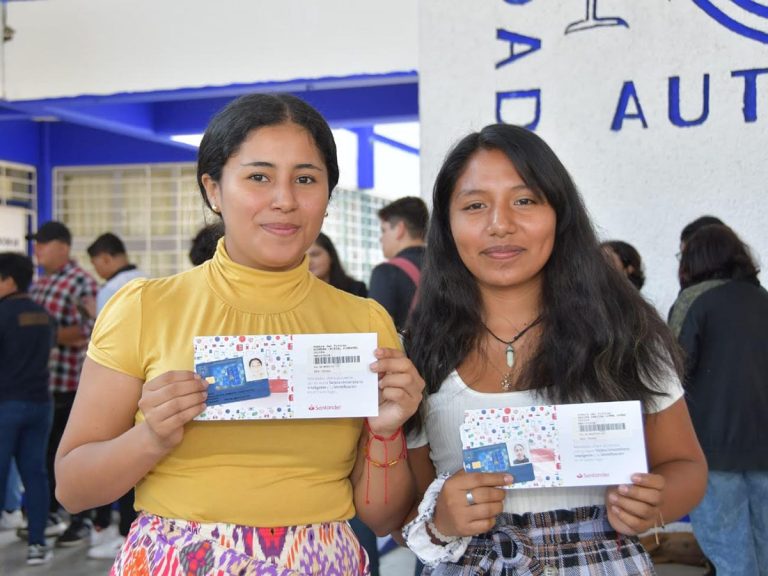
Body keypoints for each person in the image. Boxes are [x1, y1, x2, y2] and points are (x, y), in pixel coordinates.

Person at [54, 93, 423, 575]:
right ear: (213, 189)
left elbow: (383, 517)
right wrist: (151, 437)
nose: (284, 200)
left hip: (322, 562)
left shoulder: (364, 323)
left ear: (328, 196)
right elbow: (73, 489)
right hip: (177, 563)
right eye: (258, 177)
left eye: (306, 179)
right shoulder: (144, 308)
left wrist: (387, 431)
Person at [400, 124, 707, 575]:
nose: (500, 224)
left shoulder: (626, 335)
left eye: (525, 201)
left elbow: (687, 465)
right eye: (475, 205)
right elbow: (401, 514)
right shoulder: (418, 353)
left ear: (560, 215)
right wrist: (441, 521)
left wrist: (654, 502)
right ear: (447, 225)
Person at [669, 224, 768, 576]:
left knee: (730, 555)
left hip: (711, 446)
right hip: (763, 447)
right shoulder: (762, 298)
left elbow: (673, 371)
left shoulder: (694, 299)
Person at [27, 220, 98, 547]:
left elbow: (89, 332)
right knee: (43, 456)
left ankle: (81, 520)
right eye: (36, 243)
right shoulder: (39, 283)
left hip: (71, 384)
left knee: (70, 455)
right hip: (42, 384)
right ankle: (51, 515)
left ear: (63, 247)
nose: (37, 249)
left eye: (43, 243)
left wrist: (40, 335)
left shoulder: (81, 282)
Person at [85, 232, 146, 558]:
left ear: (106, 258)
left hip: (116, 386)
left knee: (112, 460)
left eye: (96, 263)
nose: (96, 269)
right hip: (146, 385)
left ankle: (117, 531)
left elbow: (104, 343)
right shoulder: (149, 281)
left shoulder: (110, 290)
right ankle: (129, 529)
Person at [0, 252, 56, 565]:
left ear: (9, 280)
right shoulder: (43, 315)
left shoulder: (2, 313)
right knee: (35, 474)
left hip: (6, 404)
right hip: (41, 404)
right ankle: (37, 544)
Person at [369, 196, 428, 330]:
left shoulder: (386, 272)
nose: (381, 238)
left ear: (400, 229)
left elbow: (378, 332)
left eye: (384, 230)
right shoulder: (449, 265)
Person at [309, 232, 367, 297]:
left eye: (314, 254)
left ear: (331, 255)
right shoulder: (301, 294)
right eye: (303, 257)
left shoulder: (356, 289)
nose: (308, 261)